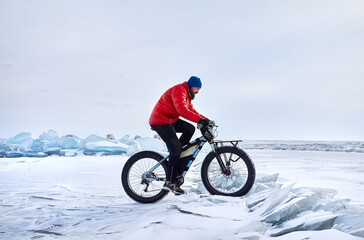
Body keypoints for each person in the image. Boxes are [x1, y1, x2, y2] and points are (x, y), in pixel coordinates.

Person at [149, 76, 213, 195]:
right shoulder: (179, 91)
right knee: (175, 148)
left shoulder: (187, 95)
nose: (197, 92)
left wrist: (206, 120)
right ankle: (170, 182)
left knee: (189, 129)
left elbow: (192, 111)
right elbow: (182, 110)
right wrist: (200, 120)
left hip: (170, 120)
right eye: (196, 88)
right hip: (160, 120)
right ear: (190, 86)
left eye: (199, 89)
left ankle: (178, 155)